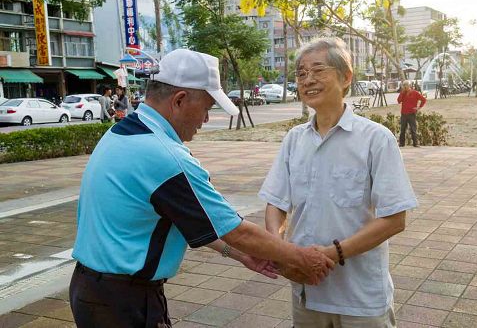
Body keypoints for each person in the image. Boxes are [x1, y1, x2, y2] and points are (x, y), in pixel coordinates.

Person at [69, 49, 334, 328]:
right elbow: (238, 231)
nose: (206, 120)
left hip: (93, 290)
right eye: (207, 108)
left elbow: (194, 218)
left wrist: (241, 255)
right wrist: (303, 258)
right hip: (124, 302)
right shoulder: (164, 157)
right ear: (180, 100)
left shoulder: (124, 132)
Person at [259, 37, 418, 328]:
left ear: (346, 77)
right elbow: (276, 203)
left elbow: (395, 219)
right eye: (301, 73)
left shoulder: (375, 139)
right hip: (307, 293)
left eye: (318, 70)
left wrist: (333, 254)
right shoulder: (294, 140)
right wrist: (281, 251)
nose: (308, 80)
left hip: (361, 298)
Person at [397, 80, 426, 147]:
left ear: (409, 85)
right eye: (404, 85)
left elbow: (423, 100)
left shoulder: (415, 93)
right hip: (404, 113)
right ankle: (401, 143)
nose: (405, 87)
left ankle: (415, 143)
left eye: (406, 85)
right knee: (402, 129)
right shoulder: (403, 93)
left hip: (411, 113)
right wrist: (402, 93)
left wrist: (418, 107)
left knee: (413, 129)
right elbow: (398, 101)